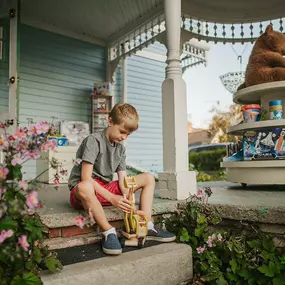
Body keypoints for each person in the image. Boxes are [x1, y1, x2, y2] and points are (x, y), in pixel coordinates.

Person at [68, 103, 176, 255]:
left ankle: (146, 225)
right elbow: (85, 178)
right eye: (122, 132)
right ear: (110, 121)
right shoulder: (93, 141)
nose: (123, 137)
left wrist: (128, 198)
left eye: (128, 135)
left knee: (148, 178)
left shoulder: (120, 149)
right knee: (85, 186)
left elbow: (123, 181)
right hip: (84, 192)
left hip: (104, 189)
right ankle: (108, 232)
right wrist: (112, 198)